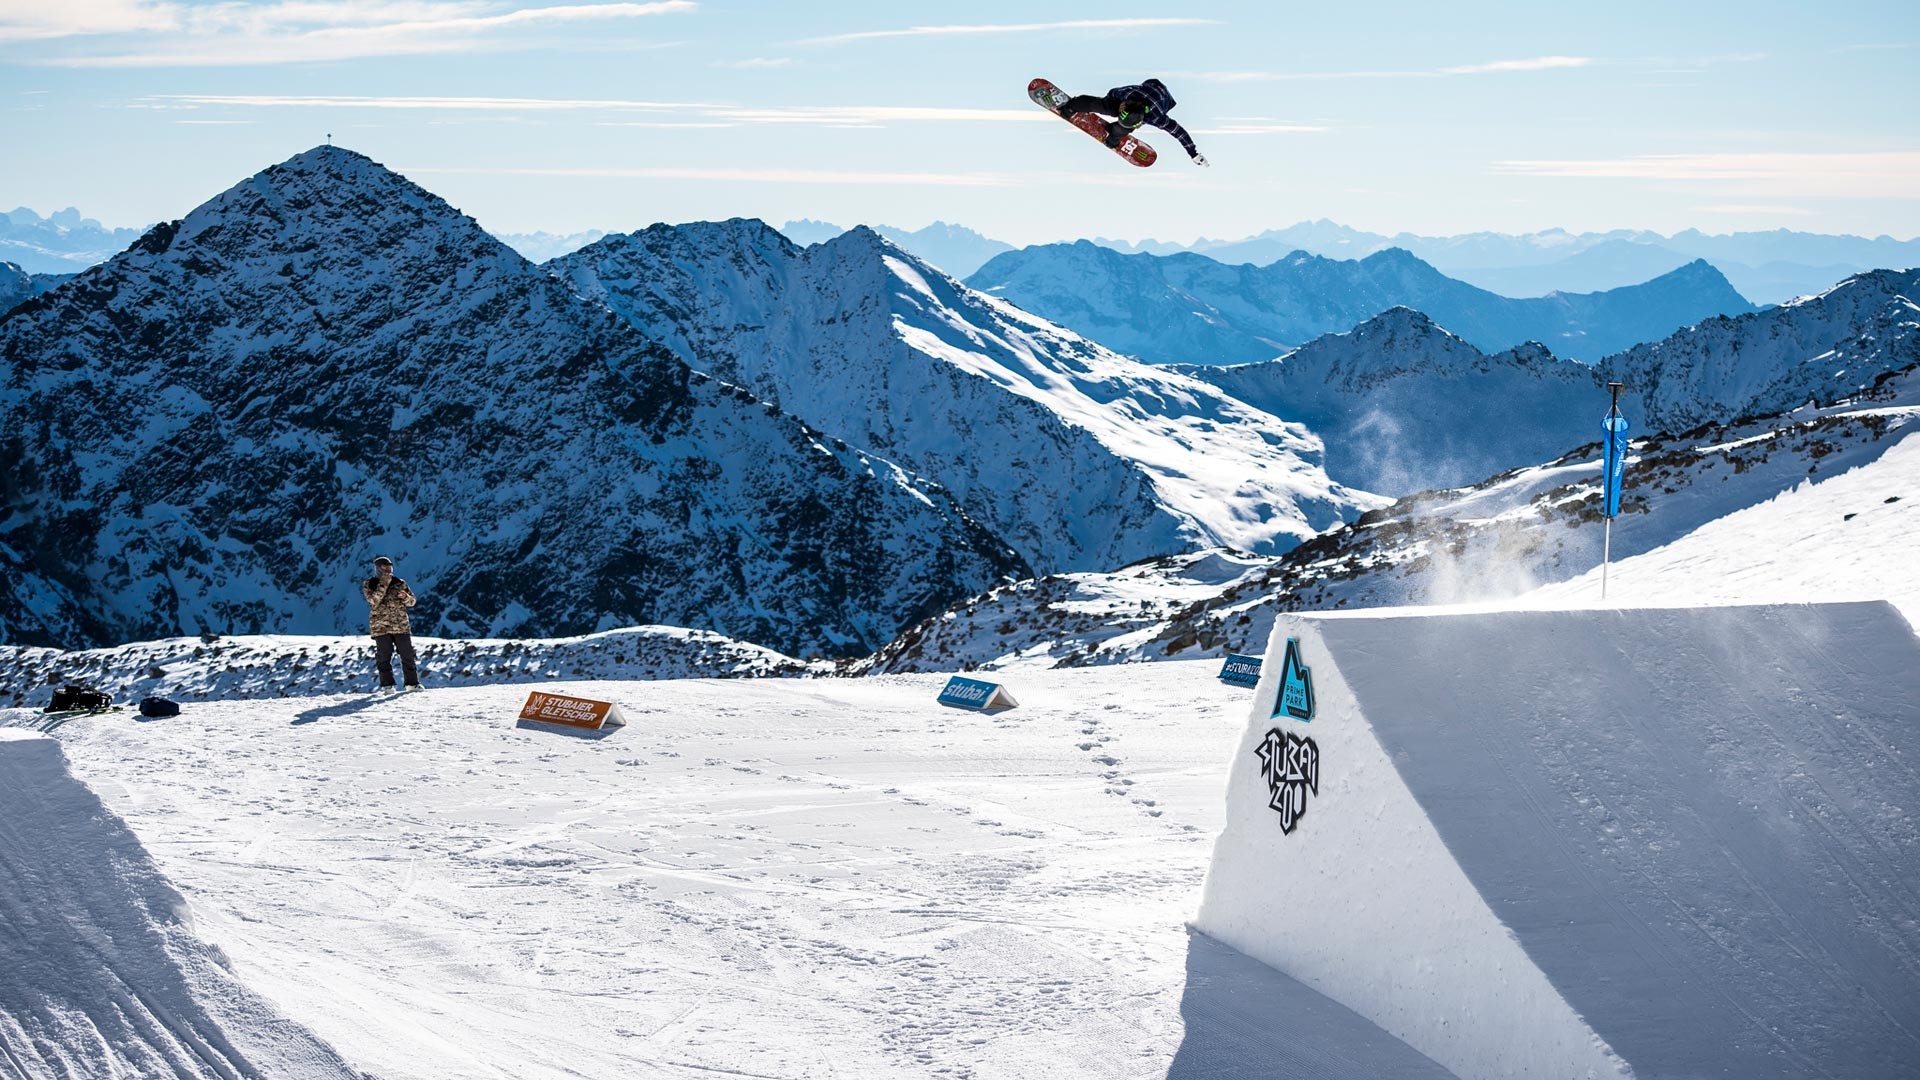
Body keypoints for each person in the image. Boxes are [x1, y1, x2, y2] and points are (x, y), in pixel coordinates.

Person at [1057, 78, 1209, 166]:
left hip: (1164, 100)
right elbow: (1111, 93)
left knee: (1123, 127)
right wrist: (1109, 103)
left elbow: (1180, 133)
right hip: (1148, 87)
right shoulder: (1127, 93)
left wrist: (1193, 153)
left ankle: (1114, 135)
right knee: (1105, 105)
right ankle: (1072, 106)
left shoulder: (1157, 118)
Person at [362, 556, 422, 692]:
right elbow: (373, 601)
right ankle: (387, 686)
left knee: (407, 655)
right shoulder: (370, 584)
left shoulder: (400, 583)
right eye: (384, 566)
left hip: (400, 625)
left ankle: (412, 684)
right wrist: (384, 582)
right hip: (381, 627)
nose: (388, 568)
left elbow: (412, 601)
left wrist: (406, 597)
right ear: (378, 568)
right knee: (384, 657)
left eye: (389, 565)